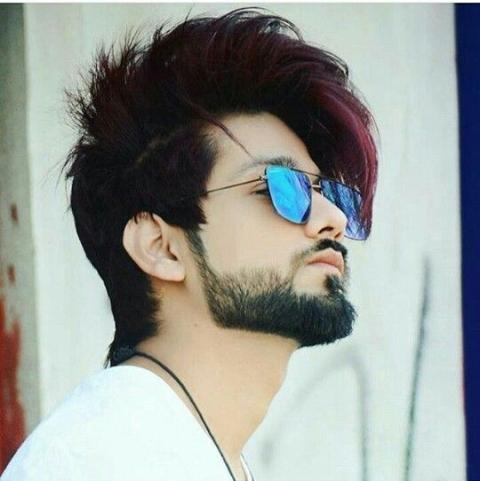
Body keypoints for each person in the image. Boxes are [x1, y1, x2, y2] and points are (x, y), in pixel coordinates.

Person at [1, 7, 377, 481]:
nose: (333, 220)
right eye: (282, 189)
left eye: (331, 194)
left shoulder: (180, 448)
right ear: (161, 246)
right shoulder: (97, 462)